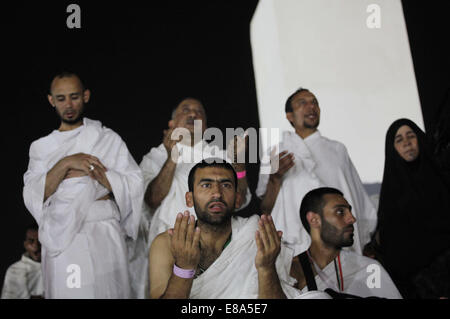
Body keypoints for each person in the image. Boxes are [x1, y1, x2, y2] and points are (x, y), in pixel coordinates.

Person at [23, 72, 144, 298]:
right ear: (51, 100)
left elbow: (134, 183)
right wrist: (67, 162)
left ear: (86, 96)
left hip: (103, 229)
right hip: (64, 235)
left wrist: (101, 176)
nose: (68, 105)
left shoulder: (107, 138)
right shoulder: (41, 147)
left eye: (74, 97)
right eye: (61, 99)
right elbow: (34, 194)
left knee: (109, 292)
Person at [148, 159, 300, 299]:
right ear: (189, 199)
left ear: (237, 199)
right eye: (206, 185)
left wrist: (267, 268)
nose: (217, 193)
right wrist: (184, 267)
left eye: (226, 185)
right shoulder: (167, 244)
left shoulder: (257, 238)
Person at [256, 88, 377, 254]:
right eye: (302, 103)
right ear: (289, 116)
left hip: (339, 243)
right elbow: (266, 209)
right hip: (296, 250)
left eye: (314, 102)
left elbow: (357, 198)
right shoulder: (274, 153)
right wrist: (275, 178)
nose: (311, 106)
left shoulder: (337, 149)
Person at [140, 97, 251, 247]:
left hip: (216, 242)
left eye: (199, 112)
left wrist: (240, 165)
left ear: (205, 127)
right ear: (171, 123)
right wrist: (172, 158)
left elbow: (239, 200)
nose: (193, 115)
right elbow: (151, 200)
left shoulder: (220, 156)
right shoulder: (155, 156)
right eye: (186, 110)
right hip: (169, 240)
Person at [365, 118, 450, 298]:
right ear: (392, 148)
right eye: (399, 139)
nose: (407, 143)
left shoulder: (443, 180)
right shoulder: (392, 199)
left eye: (411, 136)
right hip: (425, 288)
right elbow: (396, 255)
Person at [289, 187, 402, 298]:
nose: (352, 218)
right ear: (314, 220)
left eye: (350, 211)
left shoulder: (369, 269)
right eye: (340, 212)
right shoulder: (290, 271)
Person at [1, 222, 44, 299]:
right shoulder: (14, 270)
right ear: (25, 244)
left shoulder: (56, 268)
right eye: (31, 241)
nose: (36, 245)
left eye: (40, 240)